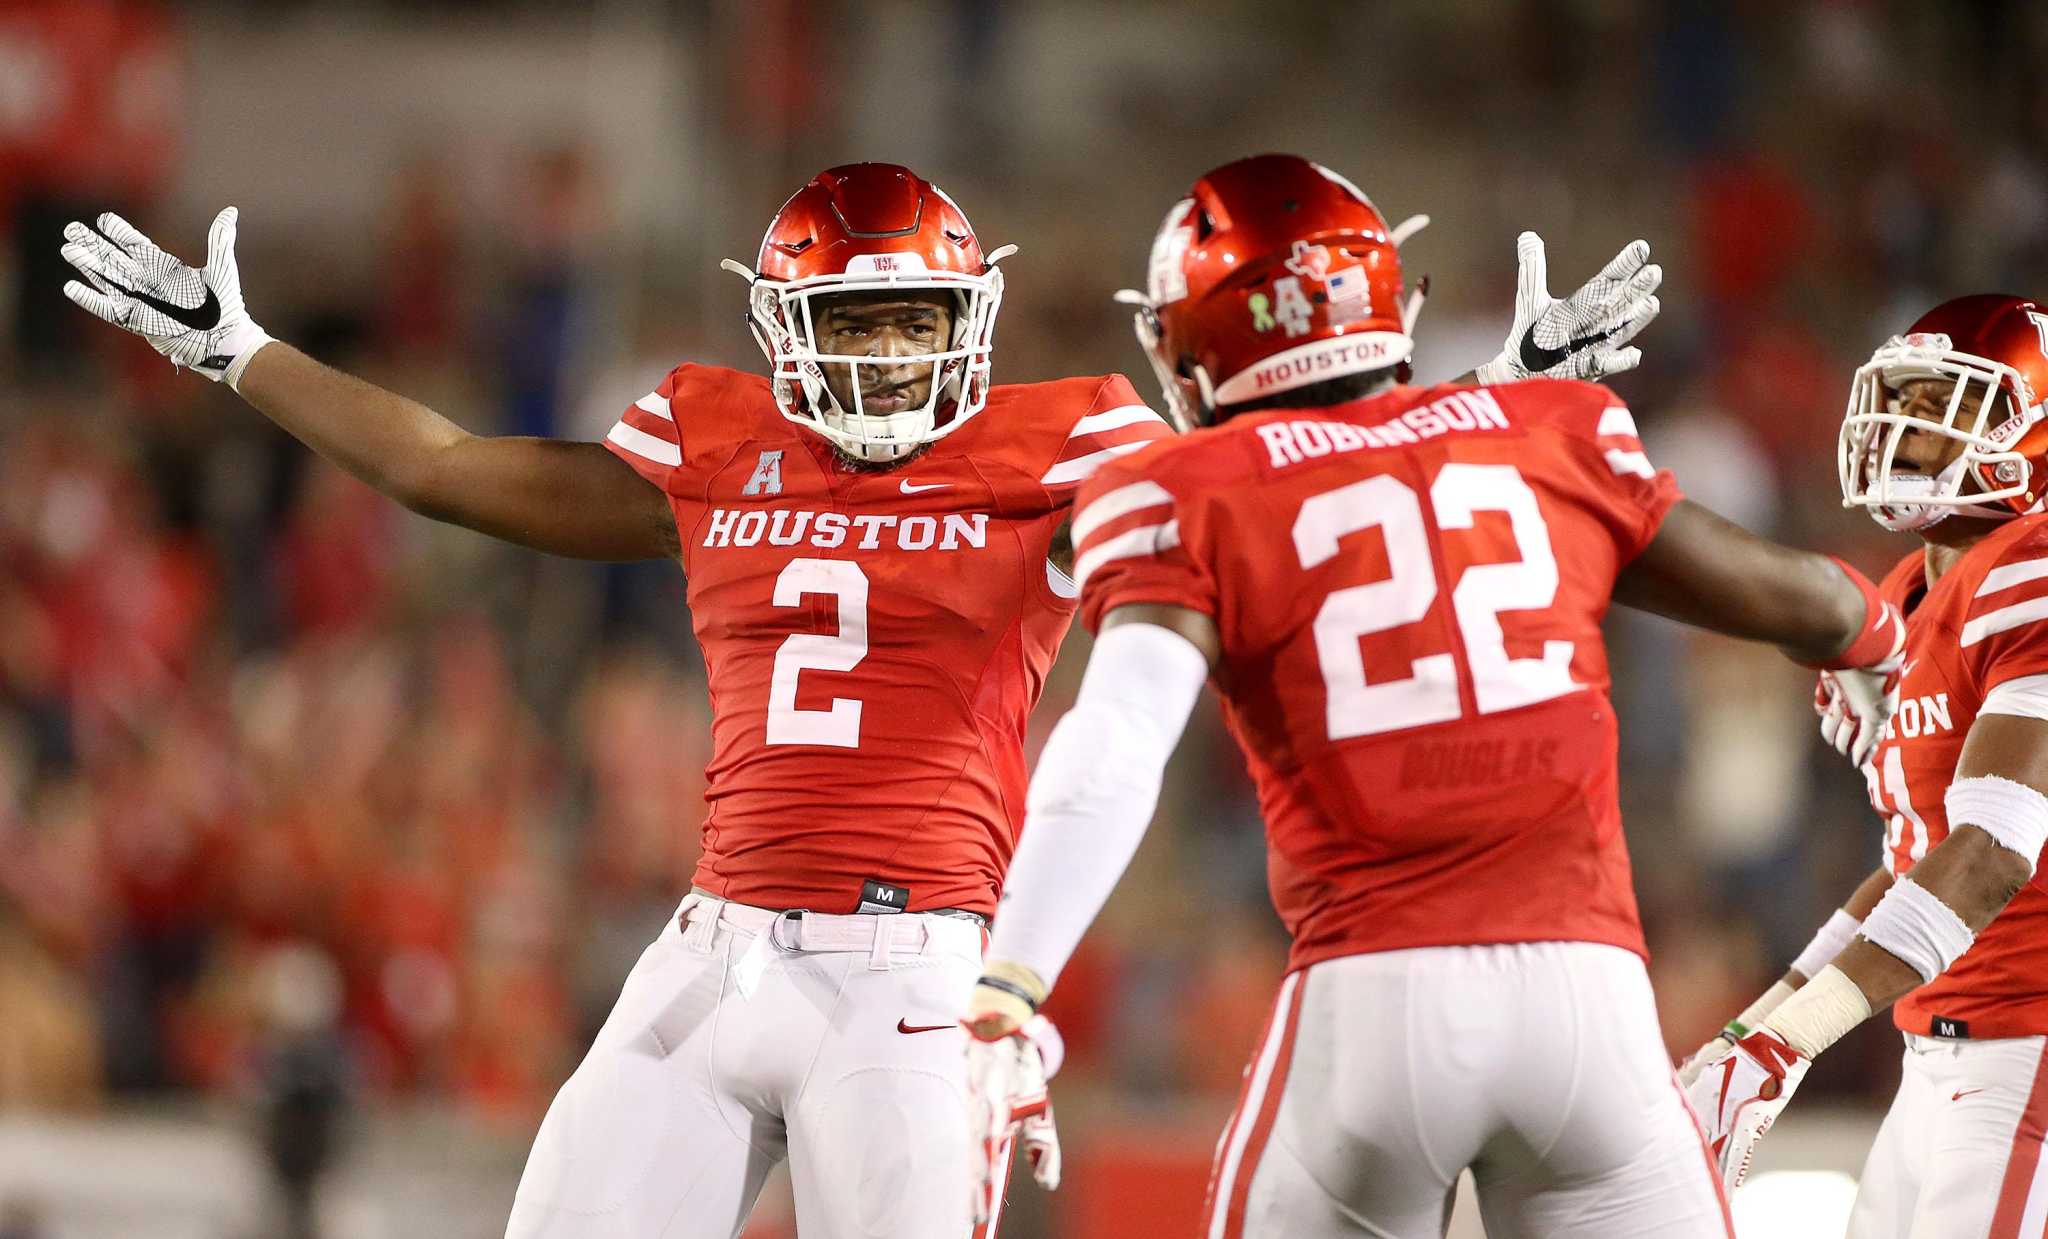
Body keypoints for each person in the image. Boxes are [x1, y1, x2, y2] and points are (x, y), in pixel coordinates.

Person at [58, 160, 1658, 1239]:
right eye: (853, 321)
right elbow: (453, 468)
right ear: (780, 328)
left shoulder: (1073, 441)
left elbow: (1311, 467)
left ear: (970, 323)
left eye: (915, 320)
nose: (888, 358)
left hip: (918, 977)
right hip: (706, 952)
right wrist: (240, 349)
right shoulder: (714, 436)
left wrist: (1496, 394)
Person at [962, 153, 1904, 1239]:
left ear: (1185, 350)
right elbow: (1799, 600)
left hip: (1374, 1008)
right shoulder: (1542, 433)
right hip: (1589, 1010)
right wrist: (1880, 646)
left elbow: (1118, 740)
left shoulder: (1182, 489)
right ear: (1385, 306)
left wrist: (1007, 990)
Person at [1679, 295, 2048, 1234]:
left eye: (1943, 408)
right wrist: (1751, 1039)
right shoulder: (1910, 591)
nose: (1904, 430)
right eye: (1900, 399)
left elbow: (1993, 853)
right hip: (1936, 1054)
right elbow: (1918, 857)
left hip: (2030, 1048)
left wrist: (1780, 1043)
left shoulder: (2031, 571)